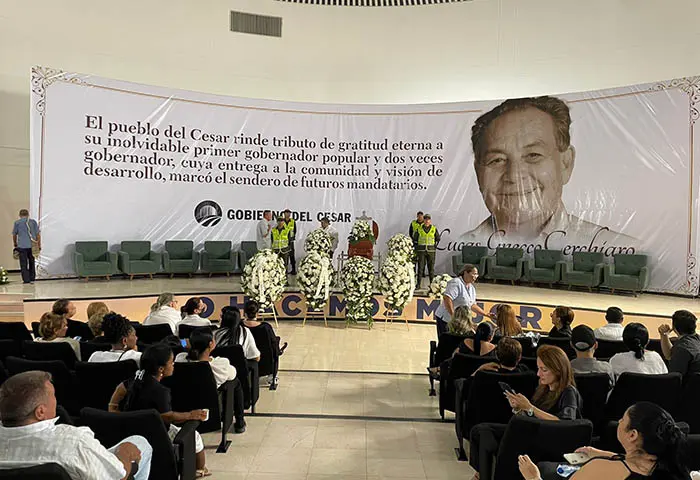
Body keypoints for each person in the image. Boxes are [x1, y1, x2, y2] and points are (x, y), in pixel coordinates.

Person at [461, 96, 634, 247]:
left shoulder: (619, 249)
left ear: (566, 163)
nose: (514, 176)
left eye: (533, 155)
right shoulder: (454, 250)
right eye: (497, 160)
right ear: (478, 172)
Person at [0, 371, 152, 479]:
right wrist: (124, 454)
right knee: (139, 442)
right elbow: (118, 476)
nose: (56, 400)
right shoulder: (73, 442)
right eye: (53, 395)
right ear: (40, 412)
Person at [469, 345, 582, 479]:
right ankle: (484, 472)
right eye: (538, 368)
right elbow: (532, 415)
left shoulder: (568, 392)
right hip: (533, 430)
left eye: (544, 370)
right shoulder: (544, 388)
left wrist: (530, 408)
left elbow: (565, 423)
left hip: (547, 439)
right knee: (480, 432)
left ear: (558, 370)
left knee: (493, 436)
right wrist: (519, 409)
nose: (539, 374)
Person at [518, 402, 690, 480]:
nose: (619, 422)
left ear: (632, 435)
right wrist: (604, 454)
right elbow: (636, 465)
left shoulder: (600, 469)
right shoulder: (674, 467)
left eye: (623, 419)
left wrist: (533, 477)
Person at [108, 344, 209, 477]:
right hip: (157, 436)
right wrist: (190, 415)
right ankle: (200, 469)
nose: (173, 365)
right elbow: (168, 417)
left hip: (128, 431)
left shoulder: (131, 382)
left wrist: (117, 413)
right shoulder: (161, 392)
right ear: (161, 369)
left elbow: (116, 397)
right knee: (195, 436)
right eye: (171, 362)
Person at [174, 328, 246, 433]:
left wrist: (187, 343)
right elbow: (233, 374)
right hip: (209, 403)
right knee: (236, 382)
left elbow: (181, 342)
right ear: (211, 344)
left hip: (183, 401)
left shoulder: (179, 359)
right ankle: (240, 423)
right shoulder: (220, 364)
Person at [434, 264, 494, 338]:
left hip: (459, 321)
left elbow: (472, 305)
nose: (476, 276)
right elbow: (447, 298)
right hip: (446, 318)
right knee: (446, 341)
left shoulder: (471, 288)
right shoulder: (456, 283)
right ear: (465, 273)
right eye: (474, 274)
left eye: (477, 274)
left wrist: (486, 314)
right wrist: (453, 316)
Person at [659, 310, 700, 383]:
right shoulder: (696, 339)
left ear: (674, 328)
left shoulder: (682, 348)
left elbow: (673, 379)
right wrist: (664, 335)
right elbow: (669, 355)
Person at [11, 209, 40, 284]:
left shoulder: (17, 223)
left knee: (23, 263)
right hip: (32, 246)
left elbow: (14, 235)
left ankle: (26, 279)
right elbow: (37, 234)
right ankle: (32, 277)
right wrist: (38, 244)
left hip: (22, 246)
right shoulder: (33, 222)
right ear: (28, 214)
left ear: (20, 215)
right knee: (32, 262)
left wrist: (15, 243)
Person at [413, 213, 441, 288]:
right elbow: (415, 239)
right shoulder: (419, 229)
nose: (427, 221)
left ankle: (432, 284)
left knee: (431, 268)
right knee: (420, 268)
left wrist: (434, 246)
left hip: (431, 251)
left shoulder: (434, 229)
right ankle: (418, 284)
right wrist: (417, 248)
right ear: (424, 220)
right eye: (425, 219)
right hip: (421, 251)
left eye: (428, 219)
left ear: (430, 221)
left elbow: (438, 238)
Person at [283, 209, 298, 275]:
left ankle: (293, 270)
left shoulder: (292, 221)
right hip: (284, 241)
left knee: (292, 256)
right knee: (284, 256)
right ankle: (284, 270)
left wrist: (291, 237)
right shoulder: (282, 221)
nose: (288, 214)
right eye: (286, 213)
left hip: (291, 241)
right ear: (284, 214)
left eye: (289, 213)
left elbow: (295, 230)